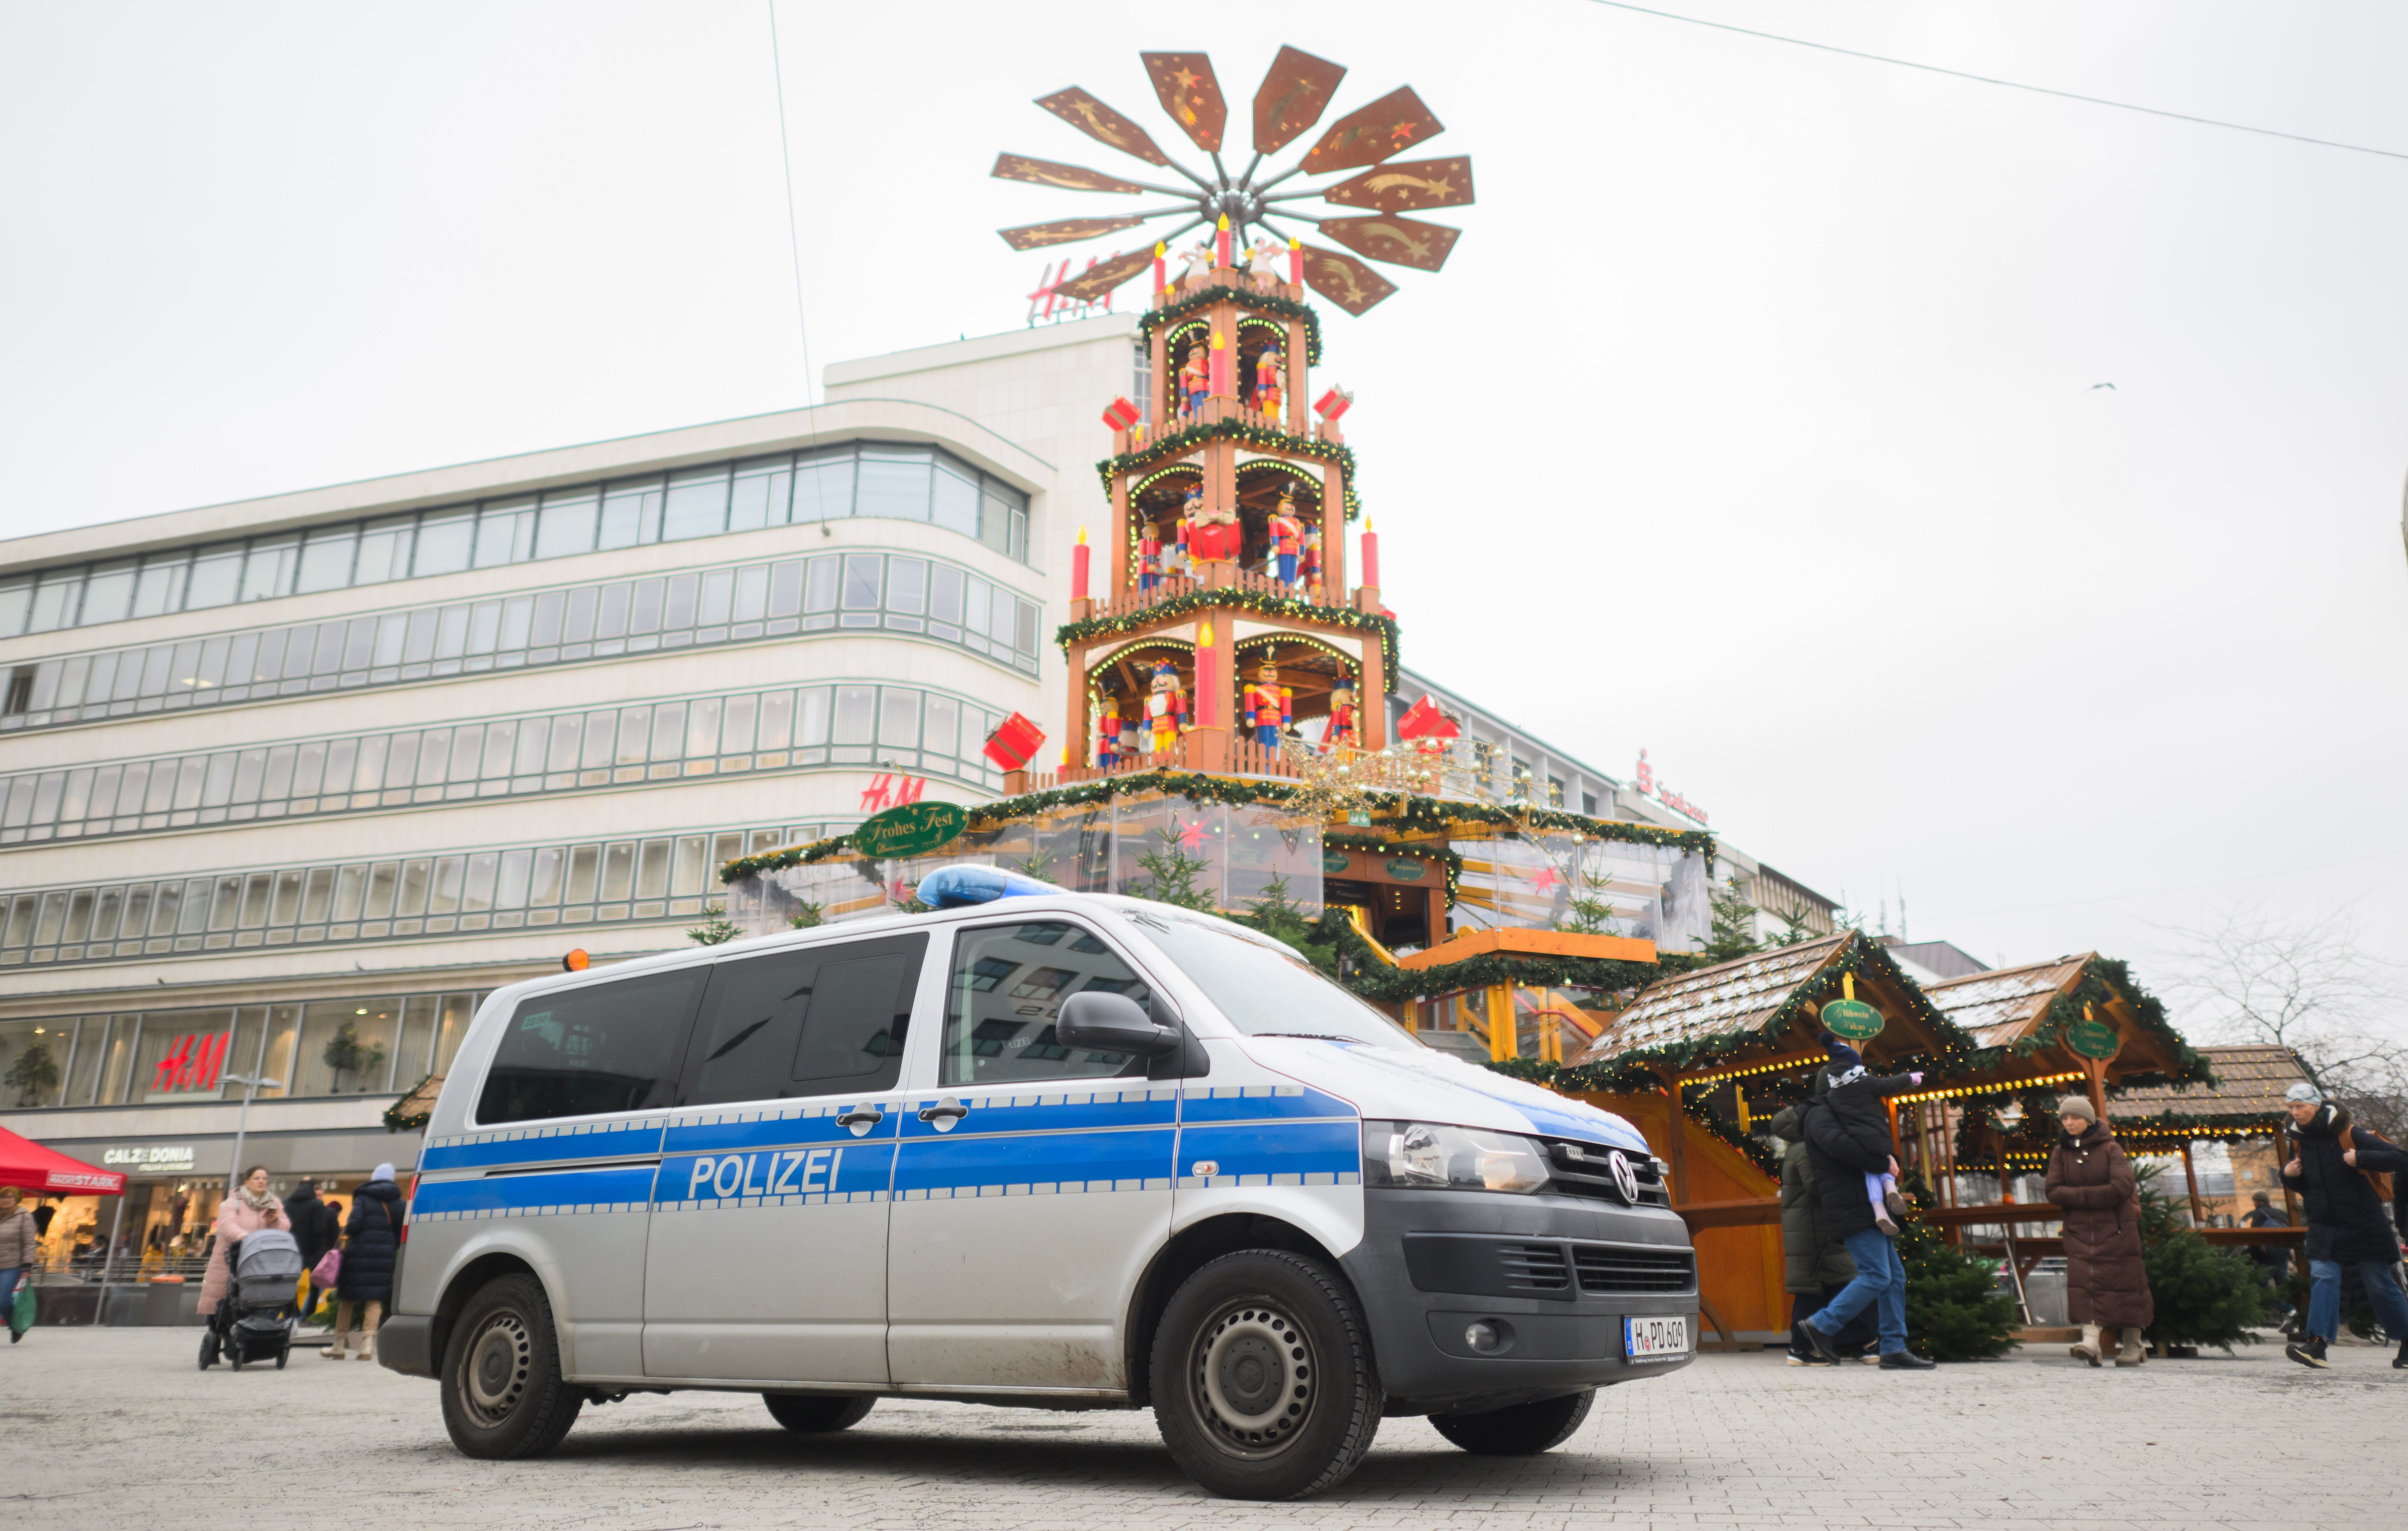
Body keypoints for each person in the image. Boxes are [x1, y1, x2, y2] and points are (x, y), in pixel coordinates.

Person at [1794, 1036, 1937, 1370]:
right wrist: (1881, 1162)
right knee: (1876, 1275)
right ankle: (1821, 1326)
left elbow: (1870, 1141)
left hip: (1870, 1205)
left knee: (1894, 1277)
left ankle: (1893, 1347)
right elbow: (1842, 1148)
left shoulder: (1848, 1110)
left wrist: (1887, 1157)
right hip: (1851, 1205)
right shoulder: (1819, 1115)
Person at [2278, 1081, 2408, 1370]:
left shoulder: (2348, 1133)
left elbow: (2400, 1158)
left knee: (2379, 1285)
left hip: (2364, 1223)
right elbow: (2305, 1184)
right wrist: (2287, 1175)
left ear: (2317, 1105)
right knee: (2323, 1277)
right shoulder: (2298, 1140)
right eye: (2291, 1107)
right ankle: (2316, 1345)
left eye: (2301, 1106)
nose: (2296, 1112)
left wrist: (2361, 1157)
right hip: (2325, 1225)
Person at [2042, 1096, 2153, 1366]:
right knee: (2084, 1283)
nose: (2069, 1123)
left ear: (2089, 1120)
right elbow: (2053, 1191)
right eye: (2065, 1119)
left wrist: (2079, 1197)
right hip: (2080, 1232)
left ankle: (2133, 1344)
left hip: (2117, 1230)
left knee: (2126, 1285)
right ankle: (2090, 1341)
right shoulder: (2061, 1153)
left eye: (2075, 1118)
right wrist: (2091, 1197)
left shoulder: (2111, 1149)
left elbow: (2121, 1187)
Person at [1771, 1097, 1877, 1365]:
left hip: (1814, 1228)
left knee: (1830, 1286)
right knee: (1835, 1284)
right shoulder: (1807, 1148)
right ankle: (1860, 1342)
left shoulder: (1800, 1147)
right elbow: (1817, 1186)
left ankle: (1856, 1343)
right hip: (1815, 1230)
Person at [329, 1163, 403, 1361]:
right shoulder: (398, 1202)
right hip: (384, 1256)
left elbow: (354, 1224)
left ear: (374, 1178)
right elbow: (399, 1233)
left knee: (347, 1299)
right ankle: (368, 1344)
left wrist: (349, 1234)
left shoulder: (363, 1198)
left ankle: (338, 1345)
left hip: (359, 1252)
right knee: (374, 1300)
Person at [198, 1165, 287, 1319]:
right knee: (223, 1297)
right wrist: (246, 1238)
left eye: (264, 1179)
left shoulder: (274, 1203)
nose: (261, 1182)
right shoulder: (234, 1202)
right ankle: (218, 1330)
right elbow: (227, 1225)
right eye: (257, 1178)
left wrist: (276, 1222)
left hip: (261, 1259)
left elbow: (286, 1226)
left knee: (259, 1295)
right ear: (247, 1182)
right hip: (232, 1257)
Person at [285, 1178, 338, 1317]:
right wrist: (326, 1248)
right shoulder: (320, 1208)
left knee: (291, 1282)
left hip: (293, 1249)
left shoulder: (286, 1204)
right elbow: (323, 1231)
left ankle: (292, 1311)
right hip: (316, 1251)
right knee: (316, 1284)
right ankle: (309, 1313)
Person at [2243, 1191, 2294, 1317]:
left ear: (2256, 1202)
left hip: (2266, 1259)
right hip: (2282, 1256)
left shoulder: (2259, 1214)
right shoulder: (2280, 1215)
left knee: (2259, 1289)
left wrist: (2250, 1257)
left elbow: (2256, 1238)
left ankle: (2289, 1311)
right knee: (2282, 1289)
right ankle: (2293, 1313)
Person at [0, 1187, 37, 1343]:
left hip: (11, 1266)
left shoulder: (23, 1217)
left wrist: (27, 1266)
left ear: (16, 1199)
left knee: (3, 1301)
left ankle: (15, 1326)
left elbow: (29, 1244)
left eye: (9, 1197)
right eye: (2, 1197)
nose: (5, 1200)